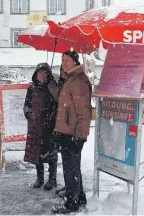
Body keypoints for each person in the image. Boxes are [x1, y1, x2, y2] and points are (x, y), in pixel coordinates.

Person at [52, 51, 92, 214]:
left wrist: (81, 135)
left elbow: (84, 111)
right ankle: (79, 196)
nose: (64, 63)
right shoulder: (69, 79)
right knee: (72, 167)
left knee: (71, 169)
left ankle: (71, 203)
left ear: (75, 62)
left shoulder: (78, 81)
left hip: (73, 133)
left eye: (67, 60)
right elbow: (63, 105)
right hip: (66, 131)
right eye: (62, 60)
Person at [23, 63, 58, 191]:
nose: (41, 75)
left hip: (49, 127)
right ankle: (40, 178)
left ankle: (52, 179)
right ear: (36, 74)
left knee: (50, 153)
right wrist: (29, 114)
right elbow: (26, 105)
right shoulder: (31, 89)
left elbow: (57, 106)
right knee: (37, 153)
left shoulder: (52, 88)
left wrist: (51, 117)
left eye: (44, 73)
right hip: (35, 126)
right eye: (39, 73)